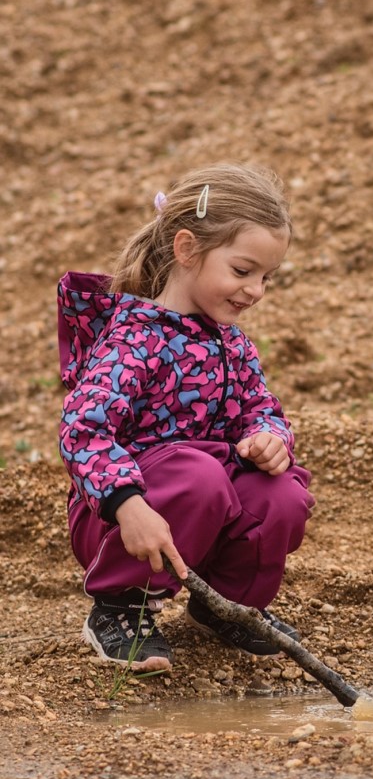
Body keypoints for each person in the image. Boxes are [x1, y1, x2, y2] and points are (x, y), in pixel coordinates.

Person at [58, 163, 314, 674]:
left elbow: (261, 407)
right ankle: (121, 607)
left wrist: (268, 437)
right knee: (199, 474)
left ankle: (227, 606)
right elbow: (82, 429)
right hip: (122, 518)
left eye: (267, 277)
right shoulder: (134, 339)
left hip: (205, 506)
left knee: (279, 490)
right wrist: (127, 506)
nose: (256, 290)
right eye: (242, 271)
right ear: (187, 250)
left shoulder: (233, 344)